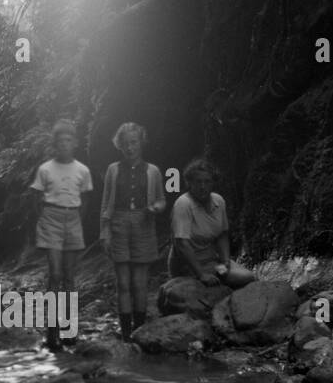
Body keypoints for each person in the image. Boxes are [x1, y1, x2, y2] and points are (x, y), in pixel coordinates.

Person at [29, 119, 93, 349]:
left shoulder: (82, 170)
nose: (65, 145)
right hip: (51, 218)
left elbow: (85, 199)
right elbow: (36, 199)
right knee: (55, 274)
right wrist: (48, 217)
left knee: (69, 276)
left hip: (73, 218)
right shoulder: (45, 169)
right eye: (60, 141)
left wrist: (74, 217)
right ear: (55, 144)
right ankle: (52, 331)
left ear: (74, 143)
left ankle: (70, 328)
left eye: (69, 140)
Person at [99, 121, 166, 340]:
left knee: (139, 282)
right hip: (118, 223)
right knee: (123, 282)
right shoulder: (113, 170)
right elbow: (106, 203)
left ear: (141, 143)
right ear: (119, 145)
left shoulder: (154, 171)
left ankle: (139, 328)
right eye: (125, 143)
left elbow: (161, 200)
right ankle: (126, 331)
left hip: (143, 225)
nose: (130, 148)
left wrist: (155, 207)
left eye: (134, 142)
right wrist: (105, 231)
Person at [168, 158, 255, 288]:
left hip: (213, 261)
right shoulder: (183, 204)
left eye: (207, 182)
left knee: (249, 276)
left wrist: (225, 260)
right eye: (198, 182)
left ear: (213, 183)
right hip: (188, 265)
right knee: (244, 278)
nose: (203, 187)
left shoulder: (218, 201)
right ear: (190, 183)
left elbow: (222, 234)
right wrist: (201, 275)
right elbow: (182, 244)